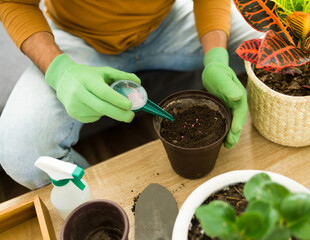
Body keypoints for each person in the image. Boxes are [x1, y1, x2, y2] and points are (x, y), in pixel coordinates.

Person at [0, 0, 262, 189]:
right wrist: (60, 70)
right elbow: (14, 2)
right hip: (78, 39)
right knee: (22, 155)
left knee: (278, 47)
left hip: (166, 24)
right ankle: (106, 200)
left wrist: (215, 57)